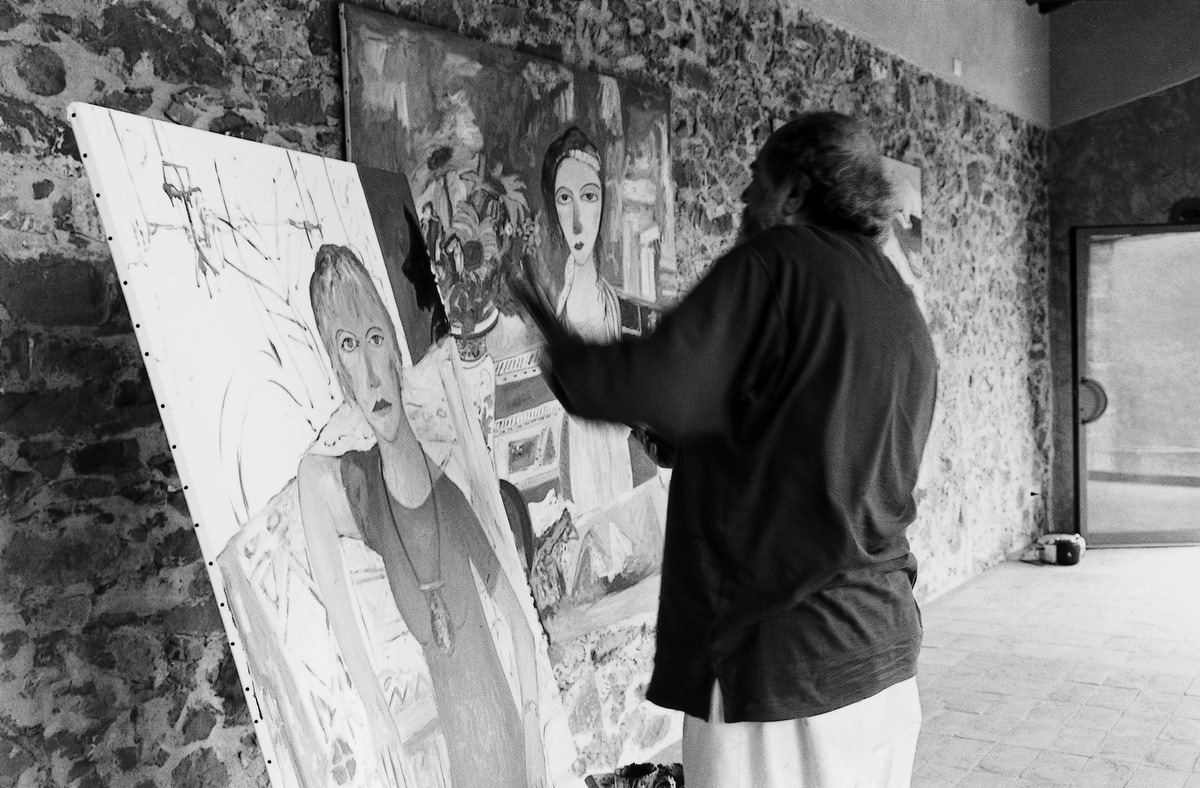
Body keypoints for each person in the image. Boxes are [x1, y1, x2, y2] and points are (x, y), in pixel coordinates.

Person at [512, 112, 938, 788]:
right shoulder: (897, 302)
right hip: (880, 653)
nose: (742, 196)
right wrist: (683, 439)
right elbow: (807, 441)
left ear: (795, 191)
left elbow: (652, 383)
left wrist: (561, 349)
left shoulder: (775, 265)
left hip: (783, 669)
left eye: (757, 179)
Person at [297, 244, 547, 788]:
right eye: (347, 347)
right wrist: (377, 713)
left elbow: (520, 629)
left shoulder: (448, 496)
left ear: (394, 349)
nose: (370, 375)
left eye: (374, 339)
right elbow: (311, 483)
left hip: (510, 749)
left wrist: (534, 737)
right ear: (337, 369)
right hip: (462, 768)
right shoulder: (359, 490)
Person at [540, 127, 634, 511]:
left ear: (603, 203)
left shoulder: (608, 297)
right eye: (565, 199)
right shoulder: (559, 298)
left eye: (588, 197)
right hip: (585, 448)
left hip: (613, 445)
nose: (578, 221)